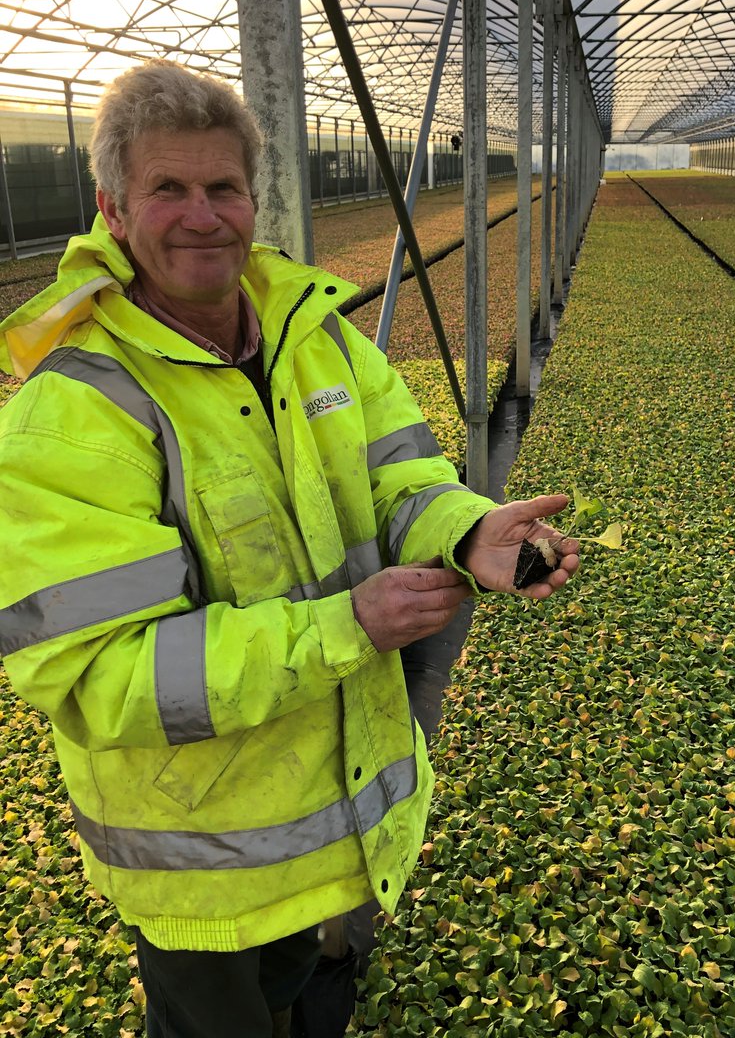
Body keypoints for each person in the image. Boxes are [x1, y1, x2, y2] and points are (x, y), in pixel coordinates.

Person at [0, 59, 578, 1038]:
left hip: (322, 812)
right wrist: (346, 627)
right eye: (167, 189)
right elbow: (103, 674)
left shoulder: (317, 341)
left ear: (254, 198)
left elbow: (399, 479)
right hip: (197, 855)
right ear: (110, 206)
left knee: (296, 991)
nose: (201, 215)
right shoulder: (74, 411)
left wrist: (466, 531)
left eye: (222, 187)